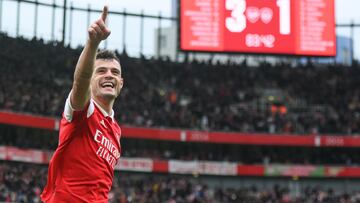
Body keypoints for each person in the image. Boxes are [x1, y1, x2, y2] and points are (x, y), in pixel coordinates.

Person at [41, 5, 124, 202]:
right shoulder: (84, 110)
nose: (109, 75)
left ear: (121, 83)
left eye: (115, 72)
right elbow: (80, 82)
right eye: (101, 71)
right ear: (92, 79)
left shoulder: (116, 130)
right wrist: (92, 44)